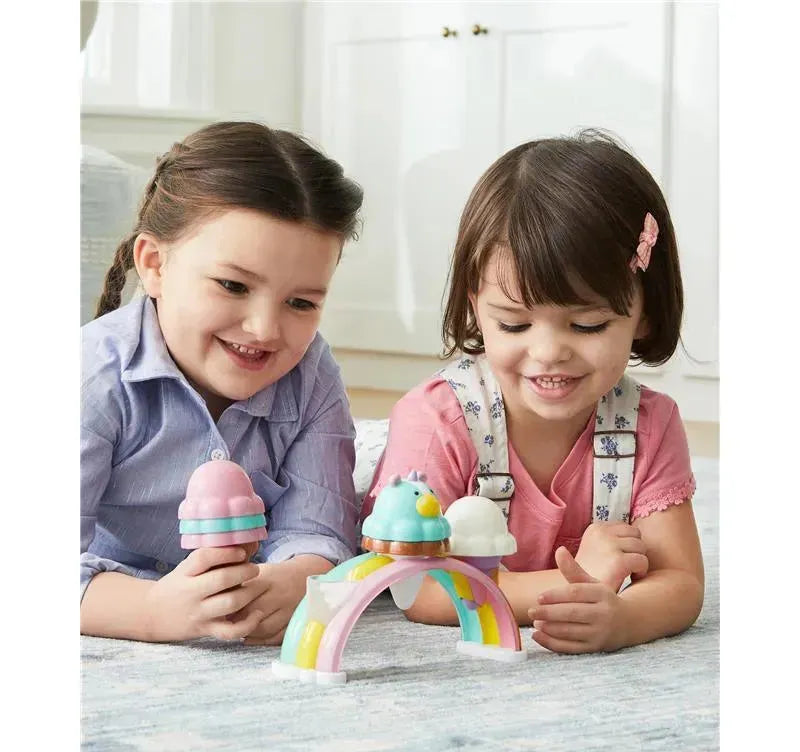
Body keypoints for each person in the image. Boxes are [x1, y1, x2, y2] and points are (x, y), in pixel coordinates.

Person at [362, 130, 704, 654]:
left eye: (587, 325)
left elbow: (679, 580)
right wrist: (575, 581)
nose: (547, 353)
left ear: (644, 313)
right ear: (476, 306)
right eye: (514, 324)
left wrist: (624, 618)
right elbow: (419, 589)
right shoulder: (437, 421)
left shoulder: (648, 425)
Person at [81, 121, 363, 645]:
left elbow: (319, 529)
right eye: (233, 285)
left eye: (300, 302)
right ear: (155, 264)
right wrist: (149, 611)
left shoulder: (311, 374)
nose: (265, 329)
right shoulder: (91, 375)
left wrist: (298, 579)